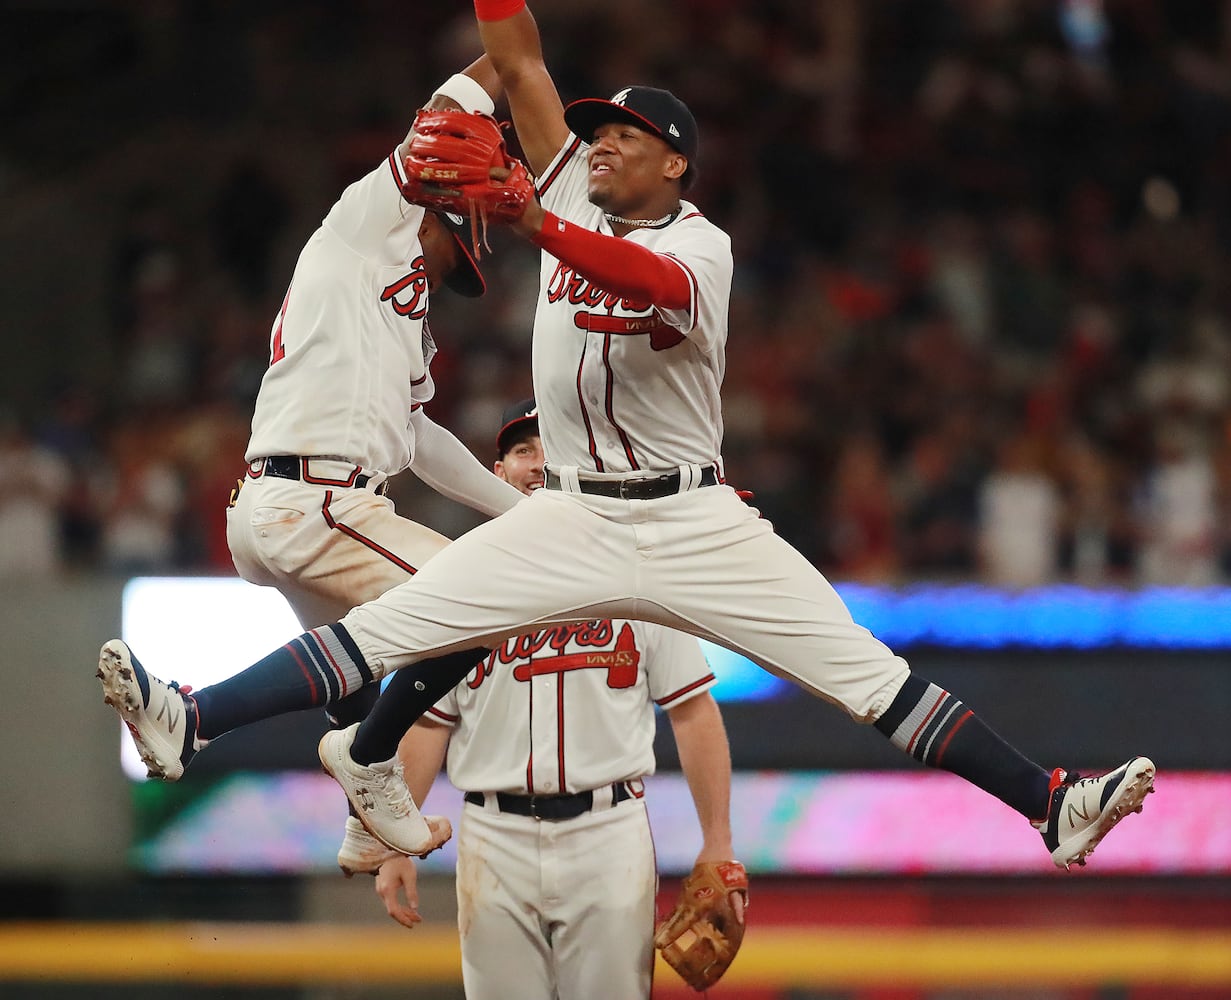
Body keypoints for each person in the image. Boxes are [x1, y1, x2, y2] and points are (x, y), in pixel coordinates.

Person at [97, 0, 1155, 871]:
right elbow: (514, 53)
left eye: (626, 137)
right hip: (572, 515)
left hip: (695, 516)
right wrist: (529, 169)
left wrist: (533, 220)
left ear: (676, 166)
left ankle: (1050, 800)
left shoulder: (700, 249)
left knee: (866, 674)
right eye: (594, 132)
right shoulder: (562, 192)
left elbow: (640, 281)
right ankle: (191, 722)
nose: (598, 143)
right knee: (403, 624)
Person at [99, 54, 528, 854]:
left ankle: (365, 813)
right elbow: (439, 115)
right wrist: (507, 53)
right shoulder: (367, 223)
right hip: (319, 500)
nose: (453, 262)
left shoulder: (402, 314)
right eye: (459, 241)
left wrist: (524, 510)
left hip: (289, 500)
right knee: (484, 600)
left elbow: (421, 441)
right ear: (444, 205)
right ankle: (195, 717)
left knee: (359, 672)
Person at [351, 400, 738, 1000]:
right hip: (491, 835)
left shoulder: (636, 569)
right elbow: (427, 723)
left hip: (607, 833)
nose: (537, 464)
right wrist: (396, 837)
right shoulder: (457, 578)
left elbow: (693, 710)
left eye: (551, 450)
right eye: (523, 451)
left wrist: (719, 840)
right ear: (497, 472)